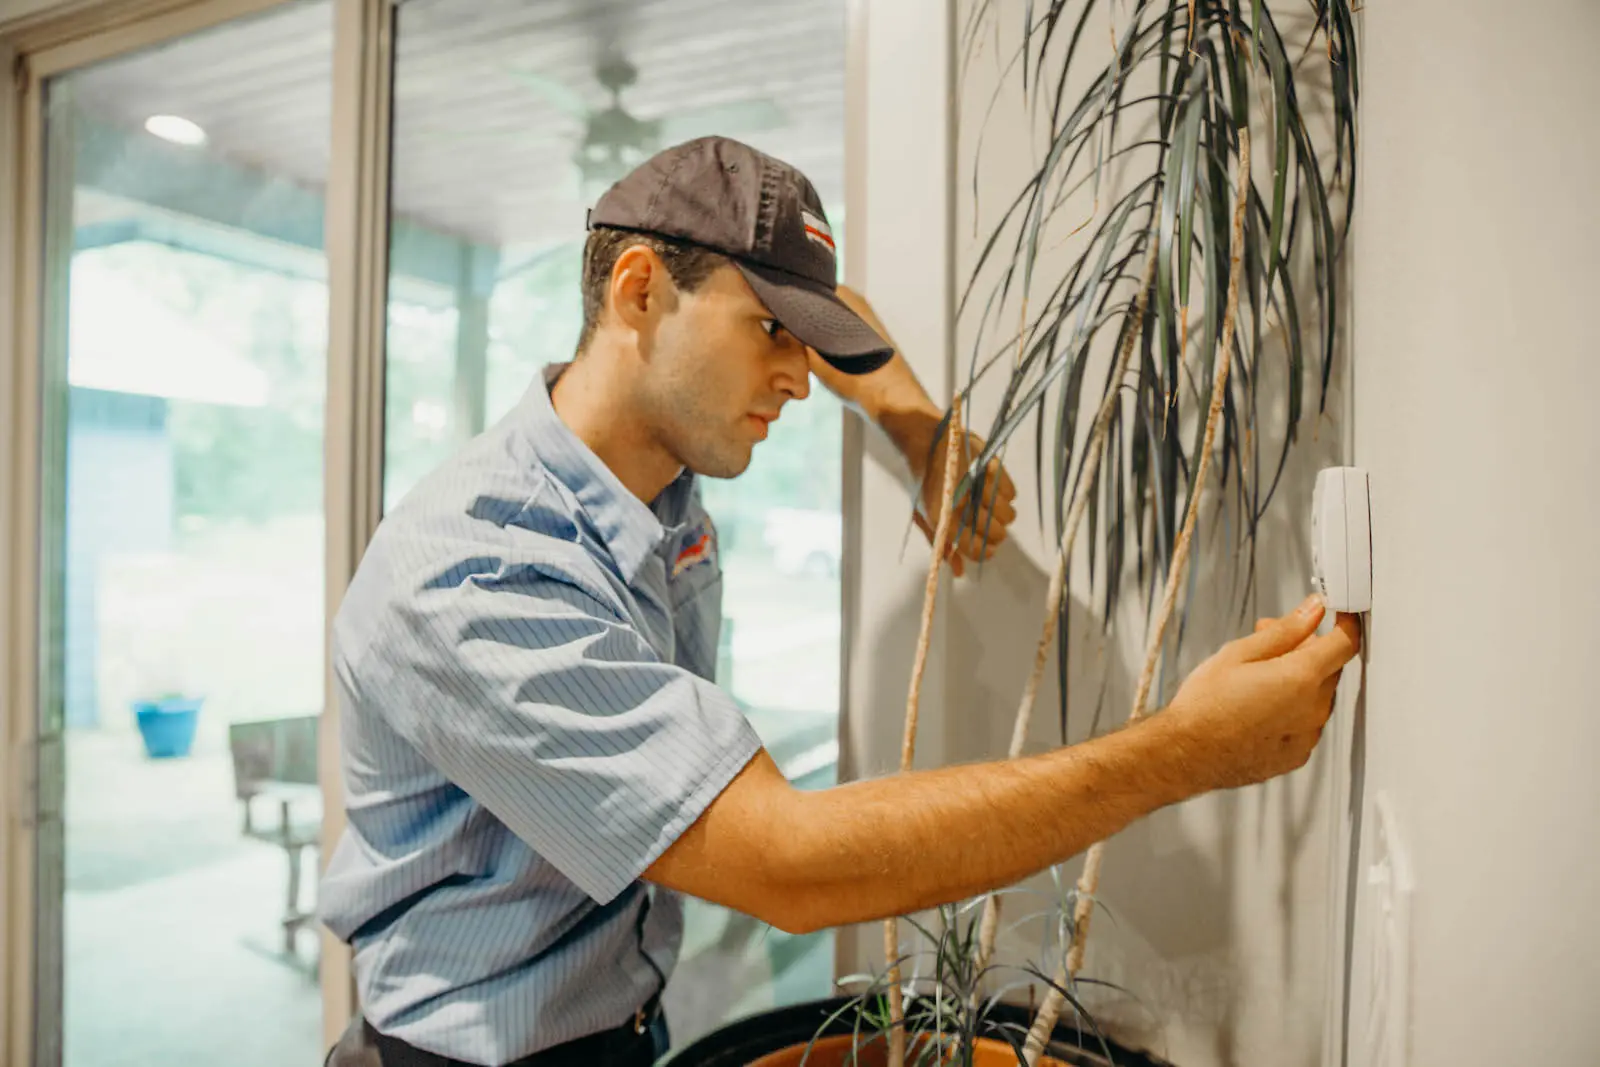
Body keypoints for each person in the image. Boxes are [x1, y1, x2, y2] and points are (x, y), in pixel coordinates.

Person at [318, 137, 1361, 1067]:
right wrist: (1185, 749)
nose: (799, 377)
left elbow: (840, 319)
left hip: (620, 1022)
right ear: (637, 290)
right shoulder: (477, 570)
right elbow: (789, 863)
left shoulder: (648, 467)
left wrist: (918, 430)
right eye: (771, 331)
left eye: (802, 338)